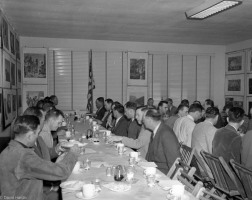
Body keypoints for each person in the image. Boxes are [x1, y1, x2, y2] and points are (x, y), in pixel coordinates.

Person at [0, 115, 80, 200]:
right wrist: (73, 153)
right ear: (30, 135)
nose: (38, 137)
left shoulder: (8, 151)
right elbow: (61, 172)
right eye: (37, 133)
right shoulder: (24, 157)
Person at [144, 109, 180, 175]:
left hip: (163, 172)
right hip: (154, 167)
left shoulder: (166, 133)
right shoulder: (156, 131)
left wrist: (170, 180)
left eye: (144, 119)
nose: (143, 121)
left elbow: (174, 160)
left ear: (149, 119)